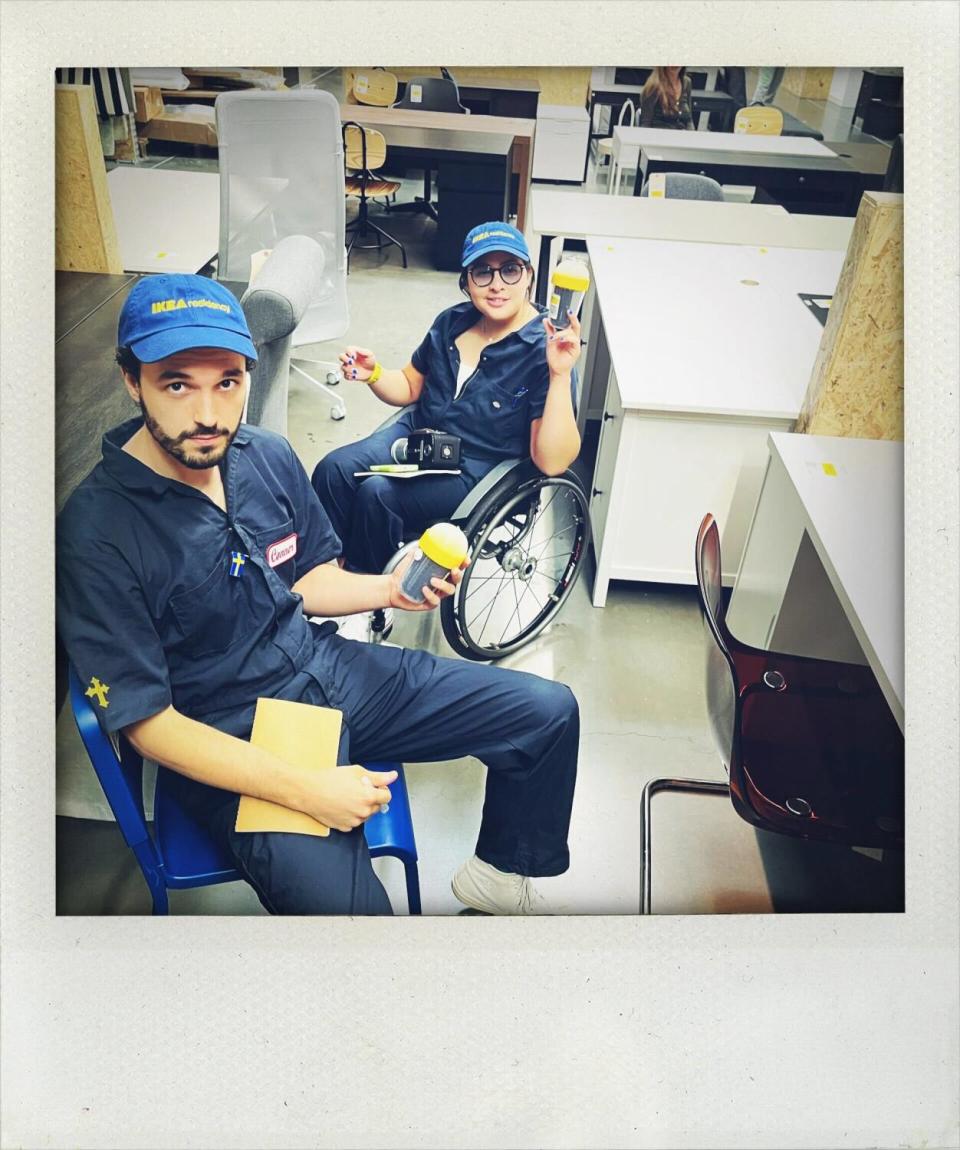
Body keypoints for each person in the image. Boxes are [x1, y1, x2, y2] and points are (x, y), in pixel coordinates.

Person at [56, 274, 580, 916]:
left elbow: (305, 579)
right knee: (355, 925)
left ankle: (498, 877)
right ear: (131, 380)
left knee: (547, 713)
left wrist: (389, 588)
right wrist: (308, 790)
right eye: (176, 383)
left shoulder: (264, 456)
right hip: (235, 736)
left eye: (227, 381)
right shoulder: (96, 530)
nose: (208, 414)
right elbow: (148, 725)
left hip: (327, 668)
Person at [310, 221, 582, 576]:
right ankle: (326, 570)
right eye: (482, 272)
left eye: (510, 270)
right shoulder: (451, 322)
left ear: (529, 276)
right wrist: (374, 374)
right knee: (334, 470)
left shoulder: (545, 348)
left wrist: (559, 374)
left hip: (478, 468)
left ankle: (368, 591)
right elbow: (410, 386)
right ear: (467, 281)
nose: (497, 284)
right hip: (419, 437)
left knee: (377, 494)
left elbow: (551, 462)